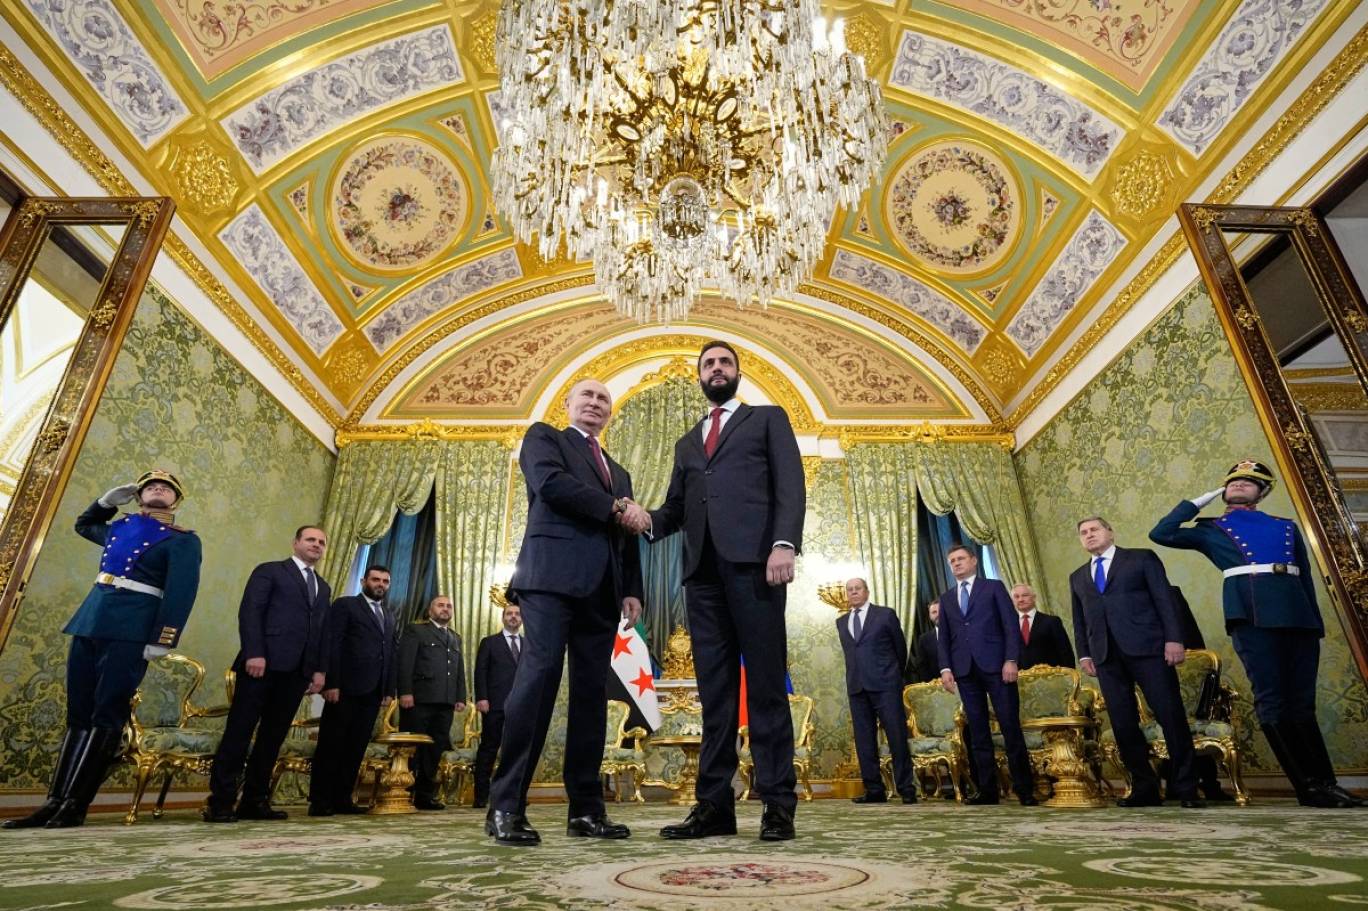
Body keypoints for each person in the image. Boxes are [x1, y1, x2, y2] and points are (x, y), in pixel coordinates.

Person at [634, 340, 806, 841]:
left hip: (756, 567)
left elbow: (790, 484)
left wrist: (783, 543)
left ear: (737, 373)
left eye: (724, 362)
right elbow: (674, 509)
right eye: (708, 363)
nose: (716, 368)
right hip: (702, 577)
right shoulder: (687, 442)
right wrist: (643, 519)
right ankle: (714, 808)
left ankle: (778, 806)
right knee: (715, 696)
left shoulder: (767, 419)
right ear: (700, 377)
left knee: (767, 690)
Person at [1150, 460, 1366, 808]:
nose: (1239, 484)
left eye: (1249, 482)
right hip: (1252, 615)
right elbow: (1161, 532)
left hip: (1297, 615)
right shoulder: (1211, 528)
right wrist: (1201, 500)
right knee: (1272, 701)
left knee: (1302, 703)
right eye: (1233, 481)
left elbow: (1304, 576)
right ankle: (1307, 787)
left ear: (1262, 492)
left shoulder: (1285, 526)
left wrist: (1313, 620)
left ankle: (1326, 783)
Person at [486, 379, 644, 846]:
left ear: (610, 413)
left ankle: (587, 812)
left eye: (603, 399)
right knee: (537, 683)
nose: (595, 403)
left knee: (592, 697)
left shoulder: (620, 472)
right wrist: (616, 506)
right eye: (587, 396)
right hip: (550, 580)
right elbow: (552, 486)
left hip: (603, 591)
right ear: (568, 405)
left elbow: (627, 532)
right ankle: (506, 806)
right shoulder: (544, 438)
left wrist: (632, 589)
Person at [5, 471, 201, 830]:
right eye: (150, 486)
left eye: (167, 488)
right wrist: (106, 502)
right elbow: (84, 525)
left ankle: (76, 804)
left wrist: (163, 638)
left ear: (176, 501)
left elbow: (182, 592)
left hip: (132, 629)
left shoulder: (184, 540)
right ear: (138, 497)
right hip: (91, 620)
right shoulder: (119, 528)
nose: (158, 489)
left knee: (107, 713)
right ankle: (54, 802)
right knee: (79, 713)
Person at [1071, 516, 1202, 808]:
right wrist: (1084, 654)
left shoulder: (1141, 559)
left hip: (1149, 649)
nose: (1089, 535)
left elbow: (1164, 600)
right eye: (1083, 532)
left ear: (1110, 532)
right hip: (1106, 656)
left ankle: (1187, 787)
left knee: (1170, 715)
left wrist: (1174, 639)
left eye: (1094, 529)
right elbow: (1080, 620)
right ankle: (1144, 787)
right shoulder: (1077, 576)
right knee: (1122, 723)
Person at [204, 526, 331, 822]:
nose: (316, 545)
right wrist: (254, 652)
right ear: (296, 543)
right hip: (261, 665)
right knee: (239, 732)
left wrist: (319, 671)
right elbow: (250, 612)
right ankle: (220, 802)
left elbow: (323, 632)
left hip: (297, 673)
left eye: (321, 542)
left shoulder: (323, 587)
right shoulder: (270, 571)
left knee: (272, 738)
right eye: (310, 540)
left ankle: (254, 801)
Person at [936, 544, 1036, 806]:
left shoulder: (993, 587)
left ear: (973, 561)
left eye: (960, 558)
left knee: (1010, 727)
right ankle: (987, 791)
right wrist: (946, 669)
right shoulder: (947, 598)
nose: (956, 563)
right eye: (952, 561)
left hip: (998, 667)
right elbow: (944, 637)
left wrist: (1011, 660)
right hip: (965, 671)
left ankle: (1025, 790)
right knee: (978, 733)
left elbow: (1010, 626)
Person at [308, 565, 398, 816]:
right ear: (363, 581)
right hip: (344, 688)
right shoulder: (346, 605)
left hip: (373, 691)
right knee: (332, 744)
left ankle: (342, 798)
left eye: (385, 581)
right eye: (376, 579)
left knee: (355, 747)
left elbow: (391, 653)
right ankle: (320, 800)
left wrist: (388, 689)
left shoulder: (389, 615)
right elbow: (333, 644)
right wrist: (331, 683)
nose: (380, 584)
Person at [837, 578, 917, 805]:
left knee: (897, 737)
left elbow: (900, 649)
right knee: (864, 741)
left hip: (886, 686)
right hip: (857, 687)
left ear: (867, 592)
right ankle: (874, 790)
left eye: (857, 588)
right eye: (850, 589)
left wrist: (892, 675)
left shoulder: (885, 614)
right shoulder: (841, 622)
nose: (853, 592)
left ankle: (906, 789)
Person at [397, 594, 467, 811]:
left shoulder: (455, 637)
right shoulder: (416, 630)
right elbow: (405, 663)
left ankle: (425, 795)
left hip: (445, 702)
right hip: (419, 700)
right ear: (430, 611)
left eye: (449, 606)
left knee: (434, 750)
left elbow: (459, 670)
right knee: (413, 748)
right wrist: (405, 692)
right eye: (440, 605)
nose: (445, 609)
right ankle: (403, 792)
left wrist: (460, 696)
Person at [472, 602, 522, 808]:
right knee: (489, 749)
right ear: (503, 618)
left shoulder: (529, 644)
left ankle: (514, 795)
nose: (513, 617)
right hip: (494, 705)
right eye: (509, 613)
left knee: (517, 752)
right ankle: (481, 796)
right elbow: (480, 672)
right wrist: (482, 698)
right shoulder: (490, 642)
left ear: (522, 619)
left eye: (517, 614)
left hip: (521, 707)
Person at [1011, 583, 1076, 670]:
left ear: (1034, 597)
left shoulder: (1052, 621)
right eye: (1016, 597)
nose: (1021, 599)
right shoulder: (1008, 626)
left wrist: (1069, 674)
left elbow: (1065, 652)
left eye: (1025, 595)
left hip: (1052, 675)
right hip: (1021, 676)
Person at [912, 601, 942, 684]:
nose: (938, 614)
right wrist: (933, 684)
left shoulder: (959, 633)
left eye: (941, 611)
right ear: (930, 616)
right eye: (934, 612)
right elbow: (922, 667)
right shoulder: (924, 640)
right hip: (935, 687)